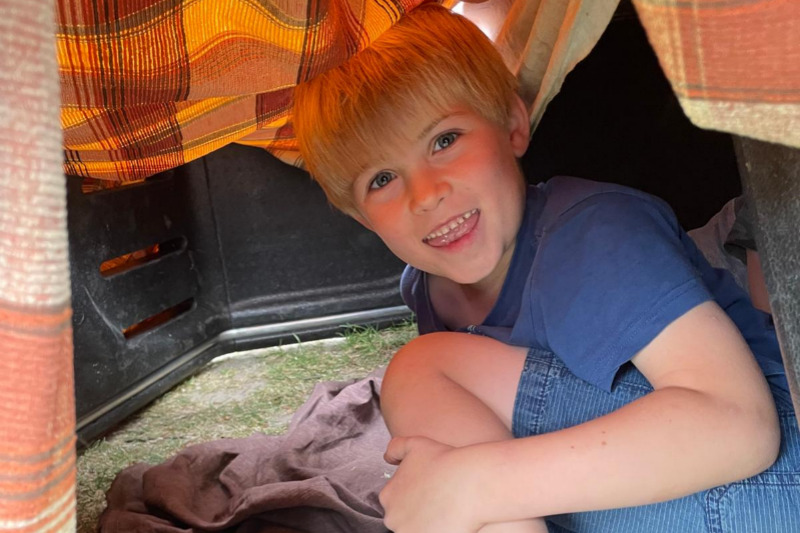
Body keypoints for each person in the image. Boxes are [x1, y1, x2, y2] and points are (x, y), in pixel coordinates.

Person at [291, 3, 800, 532]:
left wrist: (476, 483)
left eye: (444, 140)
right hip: (662, 494)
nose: (425, 195)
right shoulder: (427, 291)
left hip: (771, 478)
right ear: (361, 217)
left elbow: (739, 426)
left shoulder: (594, 233)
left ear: (512, 126)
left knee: (421, 371)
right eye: (381, 180)